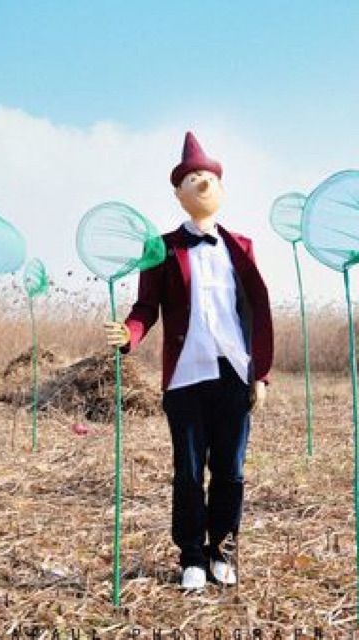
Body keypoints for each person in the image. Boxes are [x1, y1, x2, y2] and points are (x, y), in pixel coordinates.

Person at [104, 131, 273, 590]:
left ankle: (223, 551)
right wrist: (128, 334)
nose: (202, 182)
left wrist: (260, 374)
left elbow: (256, 311)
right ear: (178, 193)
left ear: (221, 188)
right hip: (185, 377)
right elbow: (145, 309)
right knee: (189, 471)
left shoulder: (242, 246)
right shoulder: (161, 248)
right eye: (191, 177)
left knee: (231, 471)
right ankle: (192, 556)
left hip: (233, 372)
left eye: (209, 176)